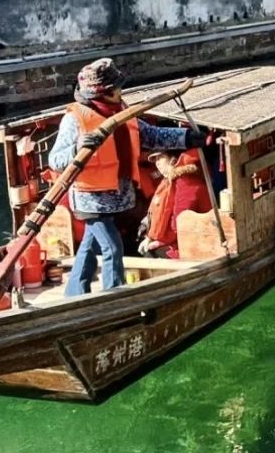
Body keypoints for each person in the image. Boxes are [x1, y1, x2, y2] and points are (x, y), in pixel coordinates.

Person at [49, 58, 204, 296]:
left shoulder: (122, 112)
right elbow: (56, 160)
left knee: (90, 247)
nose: (121, 91)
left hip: (117, 195)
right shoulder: (75, 120)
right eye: (116, 88)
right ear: (104, 93)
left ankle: (74, 293)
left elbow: (150, 135)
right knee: (112, 247)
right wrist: (78, 148)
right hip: (90, 198)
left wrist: (185, 138)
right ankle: (115, 297)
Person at [138, 149, 213, 258]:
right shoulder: (173, 181)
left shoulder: (186, 182)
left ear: (173, 159)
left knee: (148, 254)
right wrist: (150, 237)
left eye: (160, 158)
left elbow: (180, 220)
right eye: (155, 160)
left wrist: (161, 242)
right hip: (181, 239)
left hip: (193, 244)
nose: (157, 163)